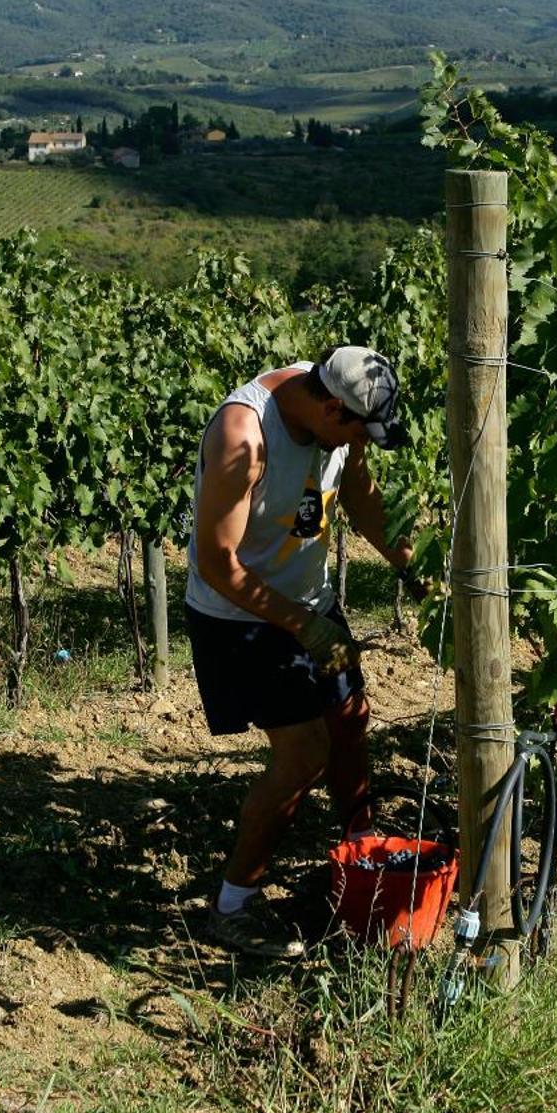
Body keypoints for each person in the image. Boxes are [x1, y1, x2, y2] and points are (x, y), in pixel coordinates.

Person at [185, 345, 419, 958]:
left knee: (350, 719)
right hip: (242, 617)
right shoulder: (246, 435)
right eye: (353, 431)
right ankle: (233, 906)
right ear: (328, 405)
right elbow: (216, 563)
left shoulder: (340, 420)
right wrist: (300, 625)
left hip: (307, 601)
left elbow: (361, 491)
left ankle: (361, 855)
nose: (354, 444)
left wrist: (407, 560)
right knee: (303, 754)